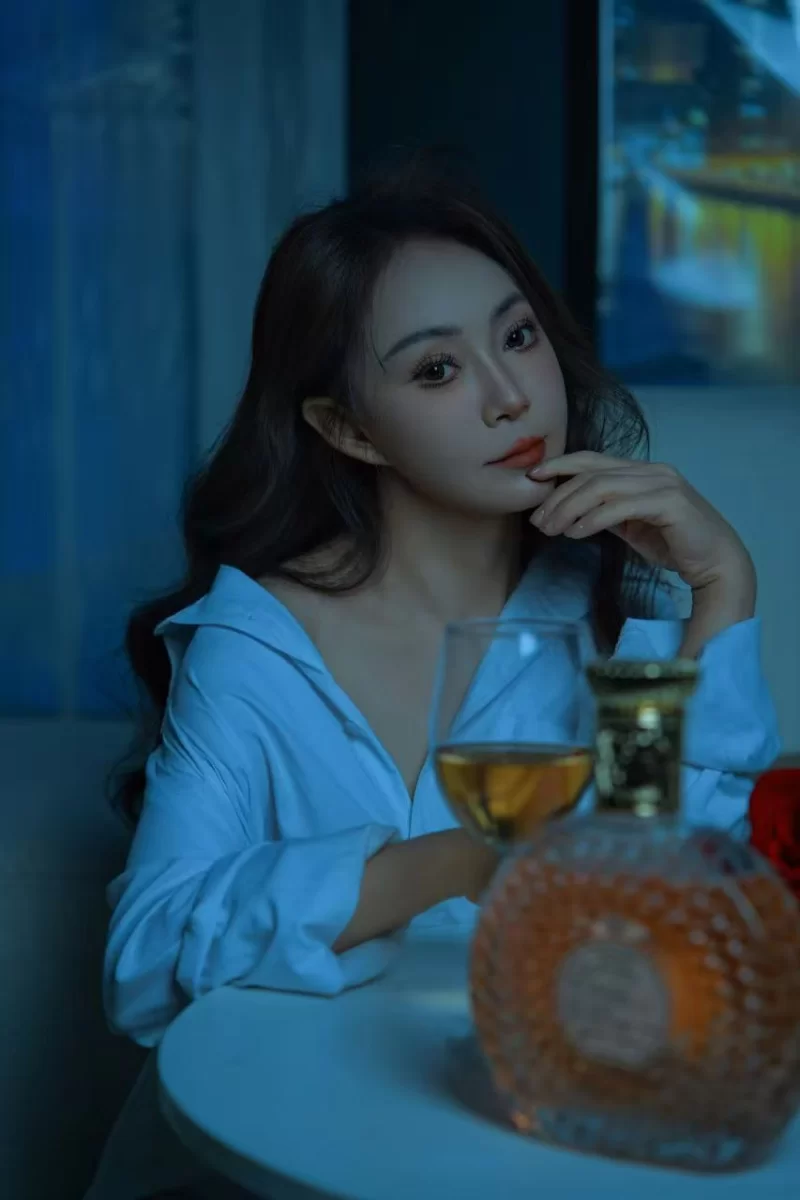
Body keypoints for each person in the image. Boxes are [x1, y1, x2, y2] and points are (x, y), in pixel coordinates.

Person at [85, 159, 779, 1200]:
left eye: (518, 337)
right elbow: (143, 963)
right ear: (347, 428)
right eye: (438, 370)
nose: (510, 396)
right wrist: (455, 861)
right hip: (276, 1146)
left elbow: (683, 907)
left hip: (530, 1136)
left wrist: (722, 590)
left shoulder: (610, 628)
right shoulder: (256, 646)